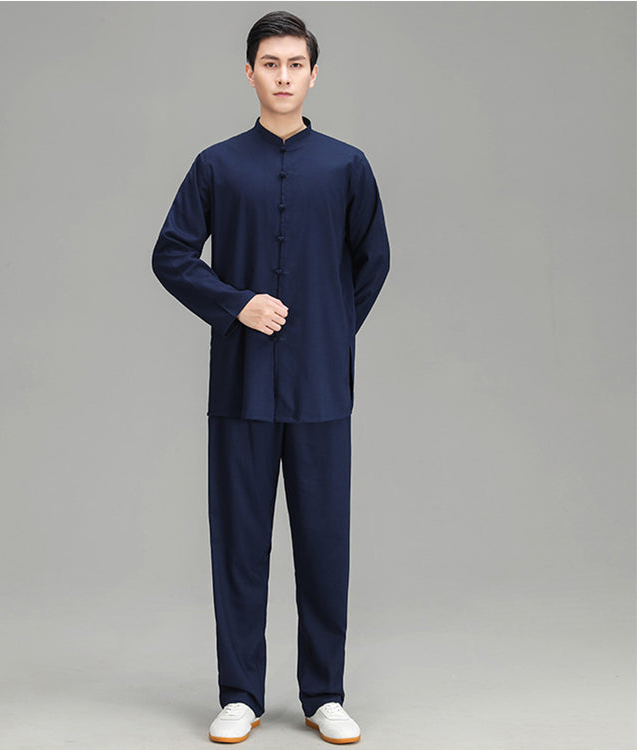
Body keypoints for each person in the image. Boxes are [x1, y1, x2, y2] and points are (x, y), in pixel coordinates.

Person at [151, 10, 390, 744]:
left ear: (313, 75)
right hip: (241, 387)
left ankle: (325, 694)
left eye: (295, 64)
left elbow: (373, 260)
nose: (283, 76)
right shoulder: (217, 165)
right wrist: (237, 304)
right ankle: (239, 695)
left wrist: (328, 333)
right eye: (270, 63)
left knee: (323, 543)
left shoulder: (347, 166)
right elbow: (171, 254)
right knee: (239, 543)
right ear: (249, 72)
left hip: (321, 390)